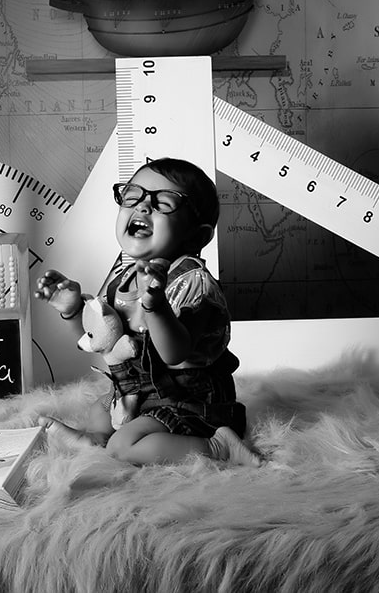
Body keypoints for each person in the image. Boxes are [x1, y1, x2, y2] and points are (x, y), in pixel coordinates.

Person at [34, 157, 261, 466]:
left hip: (189, 401)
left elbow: (174, 354)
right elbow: (102, 341)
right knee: (101, 408)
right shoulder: (124, 279)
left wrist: (156, 306)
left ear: (197, 236)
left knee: (124, 446)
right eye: (132, 197)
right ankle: (97, 437)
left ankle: (219, 446)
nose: (142, 206)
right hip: (143, 395)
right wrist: (73, 310)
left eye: (163, 203)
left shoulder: (193, 282)